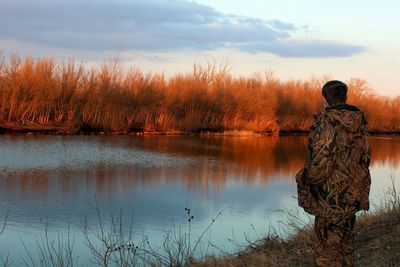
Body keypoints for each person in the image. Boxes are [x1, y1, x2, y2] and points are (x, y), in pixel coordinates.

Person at [296, 80, 371, 267]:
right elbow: (366, 158)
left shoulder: (326, 123)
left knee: (327, 252)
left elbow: (321, 167)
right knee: (345, 246)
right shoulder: (360, 122)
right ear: (345, 97)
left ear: (324, 99)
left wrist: (304, 177)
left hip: (331, 198)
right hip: (353, 194)